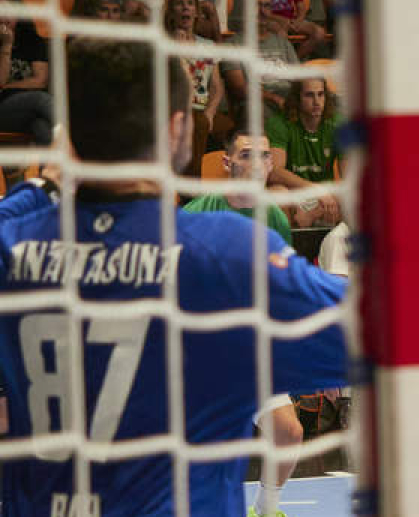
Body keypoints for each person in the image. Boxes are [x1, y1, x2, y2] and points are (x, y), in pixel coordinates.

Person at [0, 39, 348, 515]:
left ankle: (269, 503)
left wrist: (43, 186)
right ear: (176, 128)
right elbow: (414, 314)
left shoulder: (15, 244)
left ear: (70, 137)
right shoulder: (223, 247)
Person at [181, 130, 303, 517]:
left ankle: (266, 509)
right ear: (227, 162)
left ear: (271, 165)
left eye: (263, 156)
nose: (255, 163)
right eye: (246, 154)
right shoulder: (194, 215)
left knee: (289, 432)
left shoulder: (276, 220)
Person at [266, 78, 343, 226]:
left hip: (327, 195)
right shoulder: (279, 123)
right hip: (294, 190)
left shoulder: (338, 124)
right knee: (277, 193)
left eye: (321, 94)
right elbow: (274, 172)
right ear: (296, 98)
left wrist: (316, 209)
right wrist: (315, 190)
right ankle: (288, 245)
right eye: (309, 95)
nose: (316, 101)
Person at [165, 0, 225, 176]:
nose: (185, 8)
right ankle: (191, 190)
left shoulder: (208, 46)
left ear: (197, 12)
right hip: (175, 107)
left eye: (190, 4)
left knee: (229, 129)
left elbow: (216, 86)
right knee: (196, 123)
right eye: (179, 4)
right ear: (172, 12)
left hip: (202, 107)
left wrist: (211, 111)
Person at [0, 0, 53, 145]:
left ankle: (50, 167)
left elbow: (40, 80)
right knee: (41, 99)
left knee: (40, 125)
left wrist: (9, 87)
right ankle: (77, 137)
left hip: (24, 111)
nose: (4, 17)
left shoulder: (32, 41)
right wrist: (6, 45)